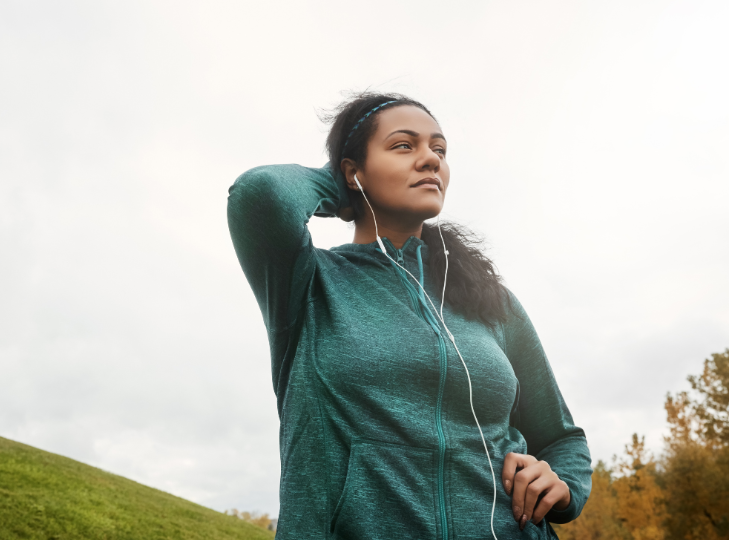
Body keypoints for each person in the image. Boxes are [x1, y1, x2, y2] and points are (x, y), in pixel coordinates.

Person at [226, 92, 592, 539]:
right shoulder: (309, 284)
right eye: (404, 146)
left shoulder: (491, 301)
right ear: (353, 171)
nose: (430, 160)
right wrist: (337, 186)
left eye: (439, 150)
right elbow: (259, 194)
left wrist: (563, 485)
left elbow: (561, 437)